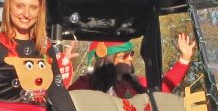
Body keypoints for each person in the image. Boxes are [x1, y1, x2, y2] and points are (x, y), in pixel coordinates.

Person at [68, 34, 196, 98]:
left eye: (131, 53)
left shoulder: (136, 83)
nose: (131, 58)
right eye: (125, 55)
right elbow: (62, 102)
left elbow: (161, 88)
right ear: (109, 60)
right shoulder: (87, 84)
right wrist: (62, 68)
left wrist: (184, 59)